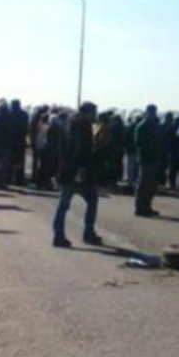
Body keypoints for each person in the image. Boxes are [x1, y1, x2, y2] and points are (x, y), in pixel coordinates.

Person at [52, 102, 103, 248]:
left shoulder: (68, 123)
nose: (95, 116)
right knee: (91, 199)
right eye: (94, 112)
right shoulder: (83, 125)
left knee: (64, 204)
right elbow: (81, 150)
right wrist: (82, 170)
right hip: (77, 171)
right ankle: (88, 233)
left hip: (66, 169)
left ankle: (59, 235)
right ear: (88, 112)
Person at [134, 104, 161, 217]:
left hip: (154, 158)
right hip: (146, 159)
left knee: (151, 185)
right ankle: (140, 208)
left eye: (154, 112)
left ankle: (147, 206)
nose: (153, 114)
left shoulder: (154, 125)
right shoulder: (142, 126)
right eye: (151, 112)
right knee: (143, 184)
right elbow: (138, 142)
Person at [9, 99, 29, 185]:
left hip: (10, 140)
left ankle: (9, 177)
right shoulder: (24, 114)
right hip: (20, 140)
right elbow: (27, 128)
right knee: (19, 161)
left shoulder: (9, 114)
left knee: (10, 160)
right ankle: (19, 178)